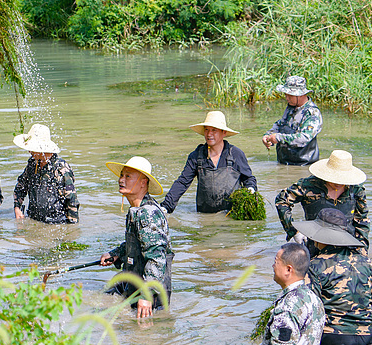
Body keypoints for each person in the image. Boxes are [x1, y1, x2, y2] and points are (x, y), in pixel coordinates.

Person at [239, 242, 325, 345]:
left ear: (288, 269)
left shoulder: (289, 306)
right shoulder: (313, 299)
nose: (273, 266)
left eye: (276, 262)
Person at [297, 208, 372, 345]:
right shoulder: (367, 263)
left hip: (330, 337)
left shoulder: (315, 266)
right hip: (366, 336)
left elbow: (308, 306)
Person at [100, 156, 173, 318]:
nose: (121, 180)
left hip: (152, 293)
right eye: (121, 175)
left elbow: (157, 257)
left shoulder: (147, 213)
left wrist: (146, 296)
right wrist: (116, 254)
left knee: (146, 331)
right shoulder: (136, 210)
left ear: (143, 182)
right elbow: (138, 244)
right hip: (136, 283)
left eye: (128, 176)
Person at [161, 110, 257, 214]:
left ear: (224, 132)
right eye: (206, 129)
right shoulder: (196, 156)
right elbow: (182, 182)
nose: (209, 134)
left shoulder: (236, 154)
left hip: (231, 214)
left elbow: (249, 179)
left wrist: (250, 189)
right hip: (205, 215)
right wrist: (166, 206)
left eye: (214, 130)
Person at [276, 149, 369, 248]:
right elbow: (282, 201)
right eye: (335, 178)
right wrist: (294, 231)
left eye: (342, 179)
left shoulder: (356, 189)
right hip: (315, 243)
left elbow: (362, 219)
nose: (338, 183)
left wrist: (362, 248)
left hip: (347, 244)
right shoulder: (308, 186)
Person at [12, 124, 79, 224]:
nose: (29, 151)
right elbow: (21, 187)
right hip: (33, 219)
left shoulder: (61, 169)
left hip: (56, 223)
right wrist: (17, 208)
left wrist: (71, 229)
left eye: (32, 148)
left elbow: (72, 201)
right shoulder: (32, 164)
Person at [262, 75, 323, 165]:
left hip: (303, 164)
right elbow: (280, 124)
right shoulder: (291, 106)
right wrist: (268, 135)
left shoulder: (312, 113)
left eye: (290, 95)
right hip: (284, 162)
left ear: (300, 95)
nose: (287, 98)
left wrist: (279, 138)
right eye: (286, 95)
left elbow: (304, 138)